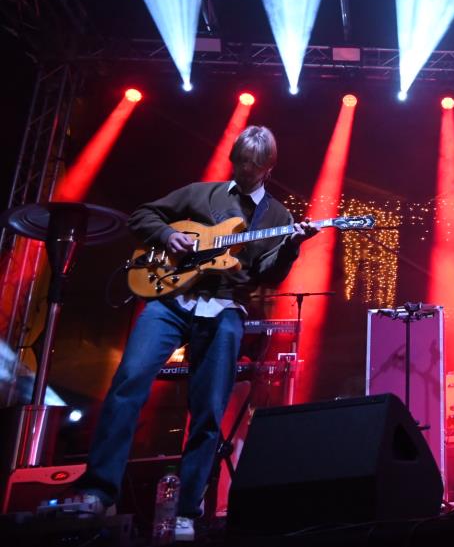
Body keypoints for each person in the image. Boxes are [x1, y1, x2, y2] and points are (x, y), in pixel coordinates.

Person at [67, 126, 318, 540]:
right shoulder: (202, 193)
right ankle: (98, 490)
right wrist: (168, 234)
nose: (245, 170)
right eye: (240, 161)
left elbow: (267, 276)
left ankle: (186, 508)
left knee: (208, 410)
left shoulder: (277, 217)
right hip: (170, 301)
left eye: (253, 165)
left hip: (223, 307)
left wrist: (292, 245)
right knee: (128, 382)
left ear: (268, 168)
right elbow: (142, 215)